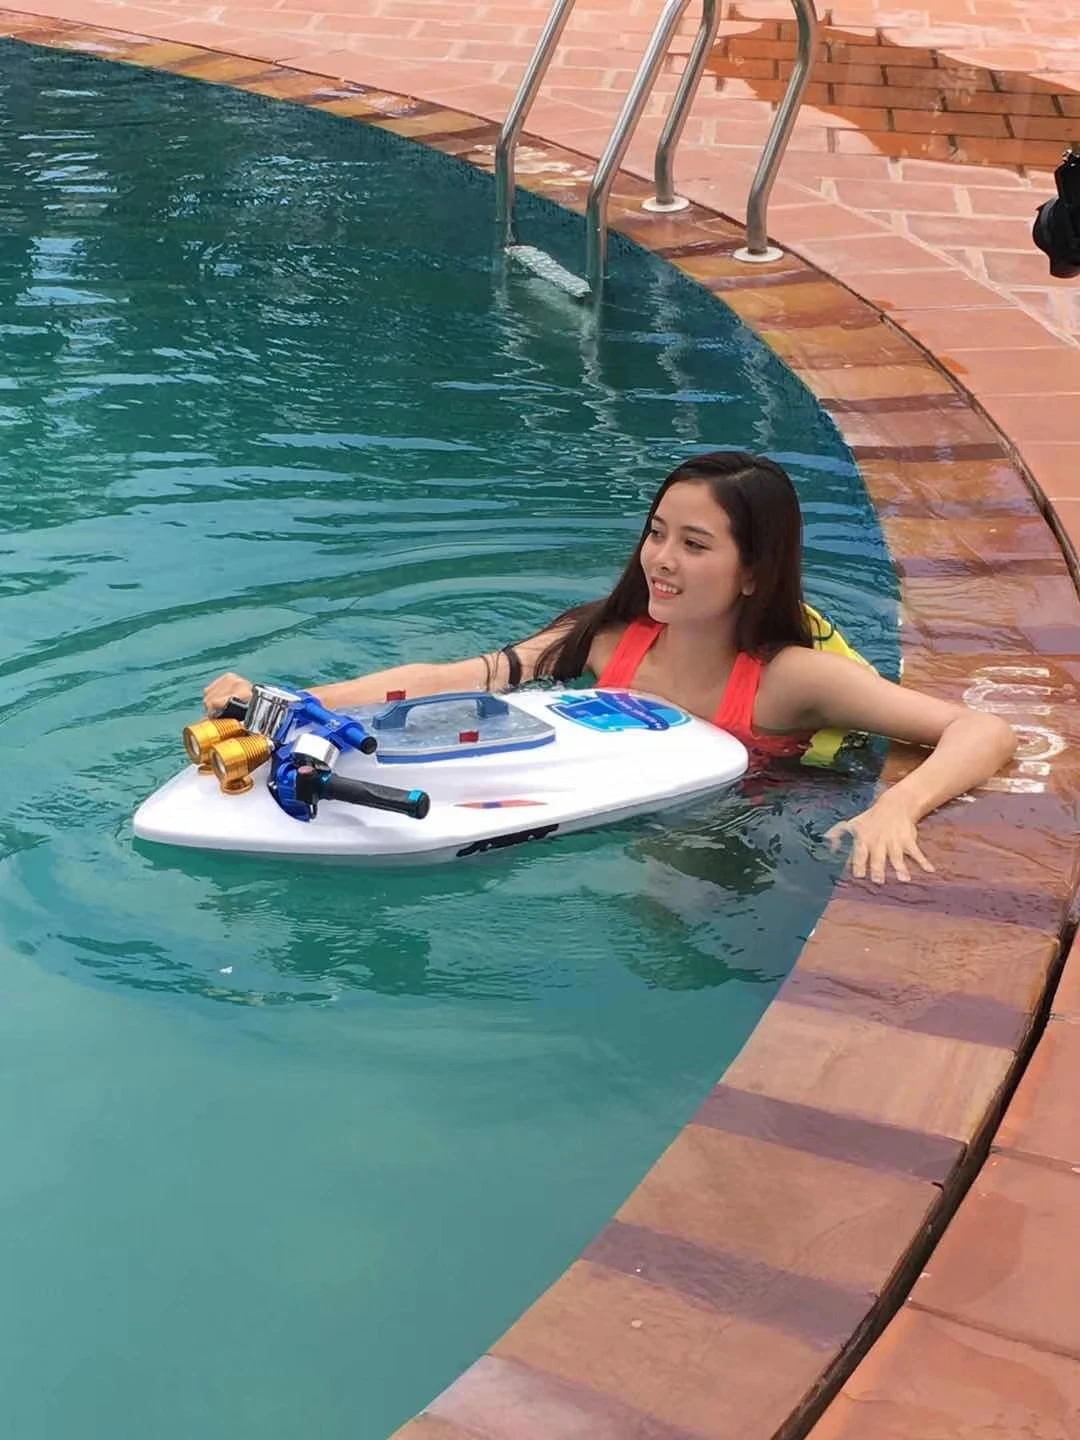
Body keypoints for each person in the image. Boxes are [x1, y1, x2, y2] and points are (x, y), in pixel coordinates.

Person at [203, 450, 1016, 885]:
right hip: (613, 801)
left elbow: (982, 731)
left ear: (753, 573)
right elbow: (454, 678)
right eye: (657, 532)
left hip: (742, 830)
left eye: (694, 545)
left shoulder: (791, 679)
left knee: (664, 916)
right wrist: (292, 700)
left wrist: (897, 809)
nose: (661, 559)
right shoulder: (607, 641)